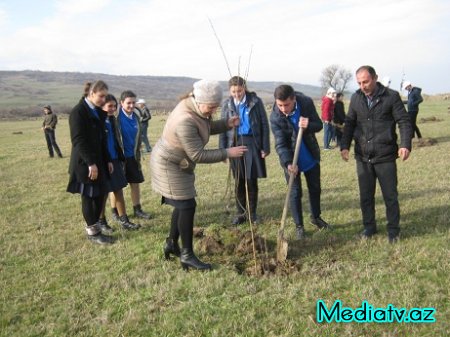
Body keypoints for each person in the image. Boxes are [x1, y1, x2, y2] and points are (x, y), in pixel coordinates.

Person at [150, 79, 247, 271]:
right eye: (211, 107)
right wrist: (227, 152)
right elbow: (198, 154)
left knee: (182, 204)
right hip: (169, 164)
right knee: (187, 205)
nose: (213, 111)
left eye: (215, 107)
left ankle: (171, 243)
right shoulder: (185, 119)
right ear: (200, 100)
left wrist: (226, 124)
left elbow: (205, 126)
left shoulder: (196, 107)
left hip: (180, 162)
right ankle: (187, 254)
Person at [340, 65, 412, 243]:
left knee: (390, 196)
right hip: (363, 156)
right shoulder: (356, 98)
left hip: (385, 155)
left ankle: (393, 231)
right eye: (359, 82)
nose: (362, 86)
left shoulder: (391, 96)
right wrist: (344, 146)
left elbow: (403, 121)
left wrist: (405, 144)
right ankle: (369, 227)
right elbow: (349, 123)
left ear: (375, 78)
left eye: (366, 81)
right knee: (366, 196)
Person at [270, 84, 332, 239]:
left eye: (287, 105)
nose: (283, 109)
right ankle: (299, 226)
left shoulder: (305, 103)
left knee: (315, 188)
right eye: (280, 105)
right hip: (291, 160)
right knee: (295, 192)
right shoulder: (275, 116)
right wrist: (288, 163)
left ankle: (316, 217)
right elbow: (280, 144)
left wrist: (308, 125)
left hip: (309, 154)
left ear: (294, 99)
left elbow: (318, 125)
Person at [66, 80, 114, 245]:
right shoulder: (78, 112)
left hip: (100, 161)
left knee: (100, 196)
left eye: (105, 96)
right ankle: (93, 233)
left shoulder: (97, 112)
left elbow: (102, 139)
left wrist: (107, 159)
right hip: (84, 163)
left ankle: (97, 230)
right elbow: (78, 140)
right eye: (101, 96)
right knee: (89, 197)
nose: (103, 99)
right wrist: (91, 163)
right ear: (91, 93)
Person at [219, 76, 270, 225]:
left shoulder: (255, 101)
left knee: (251, 180)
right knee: (239, 181)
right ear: (230, 90)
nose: (237, 94)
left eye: (239, 91)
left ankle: (252, 214)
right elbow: (223, 128)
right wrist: (223, 150)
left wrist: (265, 147)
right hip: (234, 143)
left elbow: (264, 125)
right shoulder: (227, 104)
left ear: (244, 88)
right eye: (233, 91)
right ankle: (241, 213)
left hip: (252, 143)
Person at [96, 94, 141, 233]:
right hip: (103, 161)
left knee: (119, 190)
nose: (112, 109)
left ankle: (124, 220)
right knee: (103, 193)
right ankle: (101, 221)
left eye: (114, 106)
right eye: (109, 106)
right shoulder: (97, 122)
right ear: (101, 106)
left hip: (115, 160)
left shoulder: (112, 120)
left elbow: (116, 141)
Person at [115, 90, 152, 220]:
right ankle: (115, 212)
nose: (131, 105)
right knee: (116, 187)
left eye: (133, 102)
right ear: (121, 103)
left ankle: (137, 209)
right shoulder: (116, 118)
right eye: (128, 103)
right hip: (119, 158)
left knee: (135, 183)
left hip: (133, 156)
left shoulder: (136, 117)